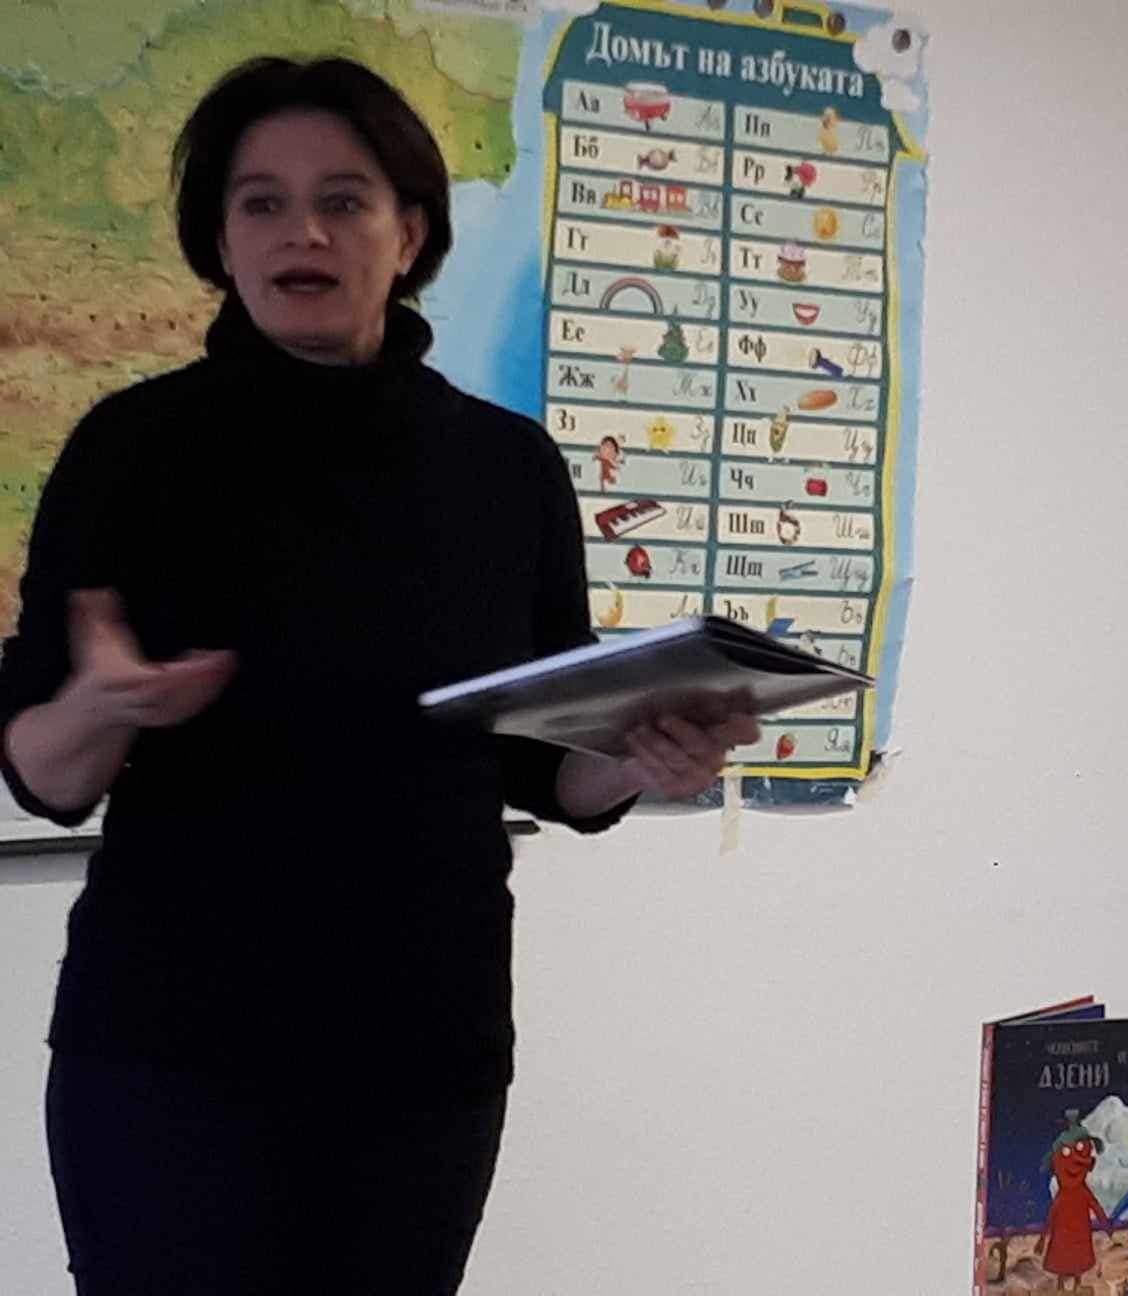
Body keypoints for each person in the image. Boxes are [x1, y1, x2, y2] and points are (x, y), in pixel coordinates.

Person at [0, 56, 758, 1296]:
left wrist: (638, 754)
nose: (301, 231)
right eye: (261, 203)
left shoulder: (507, 471)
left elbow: (545, 767)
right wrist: (101, 705)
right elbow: (43, 775)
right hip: (167, 1053)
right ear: (221, 243)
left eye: (343, 201)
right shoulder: (132, 450)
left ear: (409, 235)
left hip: (422, 1054)